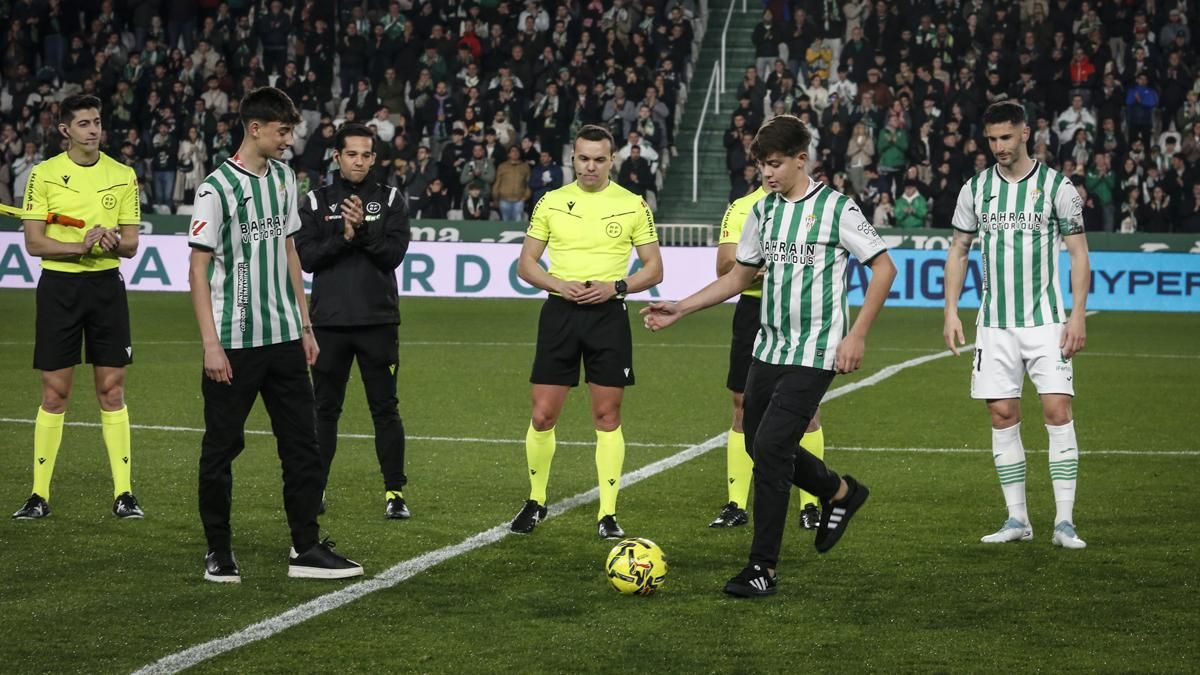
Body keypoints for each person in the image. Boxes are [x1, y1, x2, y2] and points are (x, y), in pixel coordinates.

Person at [643, 115, 896, 597]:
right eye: (762, 166)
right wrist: (681, 306)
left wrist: (857, 334)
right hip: (769, 346)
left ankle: (763, 569)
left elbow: (883, 268)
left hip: (817, 350)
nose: (767, 174)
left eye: (775, 164)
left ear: (802, 159)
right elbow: (739, 277)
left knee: (773, 451)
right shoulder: (763, 212)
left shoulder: (837, 209)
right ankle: (841, 493)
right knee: (759, 445)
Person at [187, 87, 363, 582]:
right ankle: (218, 551)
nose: (290, 139)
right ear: (255, 128)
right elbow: (198, 270)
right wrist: (210, 343)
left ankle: (305, 547)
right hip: (233, 343)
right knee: (222, 448)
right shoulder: (216, 188)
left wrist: (304, 324)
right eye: (283, 131)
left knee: (302, 446)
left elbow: (289, 252)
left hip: (285, 338)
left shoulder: (285, 179)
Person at [942, 101, 1091, 551]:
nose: (999, 147)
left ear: (1026, 134)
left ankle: (1064, 522)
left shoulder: (1056, 187)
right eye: (992, 139)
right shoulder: (976, 189)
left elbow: (1079, 254)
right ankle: (1017, 519)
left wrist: (1077, 314)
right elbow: (959, 249)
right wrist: (951, 309)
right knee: (1002, 415)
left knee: (1057, 410)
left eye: (1006, 137)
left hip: (1046, 322)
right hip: (995, 326)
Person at [509, 124, 663, 540]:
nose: (590, 166)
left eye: (599, 159)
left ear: (612, 160)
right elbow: (527, 264)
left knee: (607, 415)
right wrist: (559, 284)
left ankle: (608, 514)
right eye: (583, 158)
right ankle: (536, 500)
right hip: (560, 314)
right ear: (572, 159)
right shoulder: (552, 202)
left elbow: (654, 268)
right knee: (542, 415)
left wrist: (615, 287)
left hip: (608, 316)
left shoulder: (632, 205)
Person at [13, 94, 144, 521]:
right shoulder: (44, 174)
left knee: (112, 391)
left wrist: (111, 242)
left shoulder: (122, 175)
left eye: (97, 121)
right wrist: (79, 245)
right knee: (55, 393)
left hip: (106, 287)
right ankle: (38, 495)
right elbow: (34, 243)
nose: (93, 129)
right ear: (65, 130)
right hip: (59, 290)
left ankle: (124, 494)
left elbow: (131, 243)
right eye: (84, 123)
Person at [295, 122, 412, 520]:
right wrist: (342, 237)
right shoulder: (314, 202)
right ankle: (316, 488)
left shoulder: (392, 198)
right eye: (351, 154)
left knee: (385, 408)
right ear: (337, 157)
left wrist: (360, 231)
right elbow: (306, 258)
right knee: (324, 411)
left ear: (374, 158)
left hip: (379, 321)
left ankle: (394, 493)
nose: (359, 161)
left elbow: (392, 255)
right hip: (329, 323)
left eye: (366, 155)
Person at [709, 178, 826, 531]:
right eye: (766, 161)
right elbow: (725, 267)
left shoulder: (816, 205)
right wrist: (763, 269)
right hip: (752, 310)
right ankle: (735, 504)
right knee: (742, 404)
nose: (771, 169)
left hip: (797, 311)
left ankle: (811, 504)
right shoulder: (743, 207)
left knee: (807, 411)